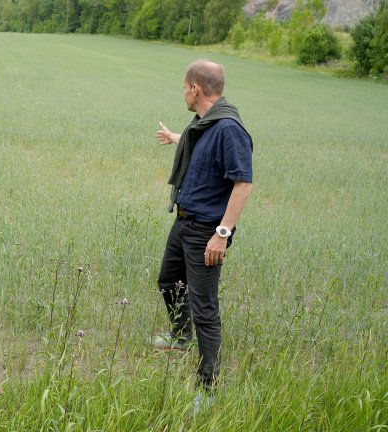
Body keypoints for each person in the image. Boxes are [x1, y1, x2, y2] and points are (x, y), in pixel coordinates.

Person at [152, 59, 253, 411]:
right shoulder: (206, 124)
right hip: (184, 222)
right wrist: (177, 138)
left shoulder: (230, 128)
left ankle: (207, 390)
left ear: (195, 88)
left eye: (184, 87)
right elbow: (203, 146)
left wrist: (221, 235)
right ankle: (180, 337)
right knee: (168, 282)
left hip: (206, 232)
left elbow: (243, 184)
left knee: (205, 309)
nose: (184, 92)